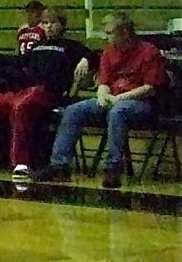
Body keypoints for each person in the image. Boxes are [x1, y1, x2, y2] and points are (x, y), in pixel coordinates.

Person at [0, 8, 95, 179]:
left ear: (62, 25)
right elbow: (18, 61)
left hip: (48, 92)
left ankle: (20, 162)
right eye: (45, 23)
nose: (49, 27)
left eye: (53, 23)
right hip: (21, 90)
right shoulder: (37, 47)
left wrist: (85, 59)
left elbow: (94, 55)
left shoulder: (71, 46)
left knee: (21, 107)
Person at [34, 12, 167, 189]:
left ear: (125, 33)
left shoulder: (148, 52)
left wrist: (119, 98)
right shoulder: (108, 53)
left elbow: (150, 88)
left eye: (111, 33)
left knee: (118, 112)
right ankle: (59, 165)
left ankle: (113, 167)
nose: (107, 37)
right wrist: (102, 94)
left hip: (140, 103)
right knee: (74, 110)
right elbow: (104, 82)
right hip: (112, 99)